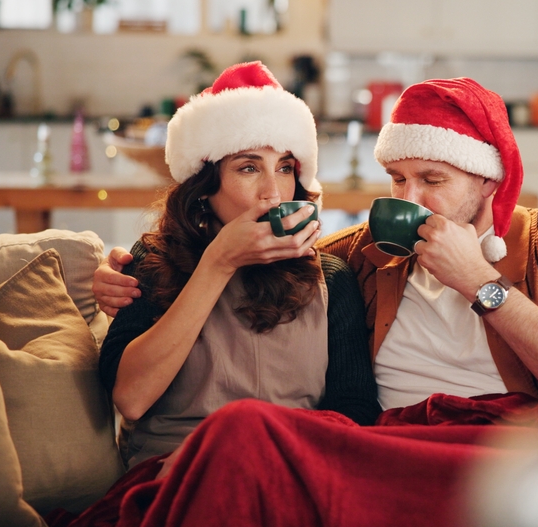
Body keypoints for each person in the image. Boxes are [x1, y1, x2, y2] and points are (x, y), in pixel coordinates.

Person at [95, 77, 538, 420]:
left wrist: (480, 282)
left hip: (518, 447)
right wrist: (117, 269)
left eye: (432, 178)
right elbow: (267, 256)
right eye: (397, 179)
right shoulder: (361, 258)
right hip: (397, 446)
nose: (410, 198)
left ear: (487, 183)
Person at [97, 61, 380, 469]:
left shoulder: (330, 279)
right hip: (178, 474)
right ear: (203, 187)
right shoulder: (151, 263)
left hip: (288, 471)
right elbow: (132, 399)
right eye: (248, 168)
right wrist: (218, 263)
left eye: (285, 168)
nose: (273, 192)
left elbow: (353, 414)